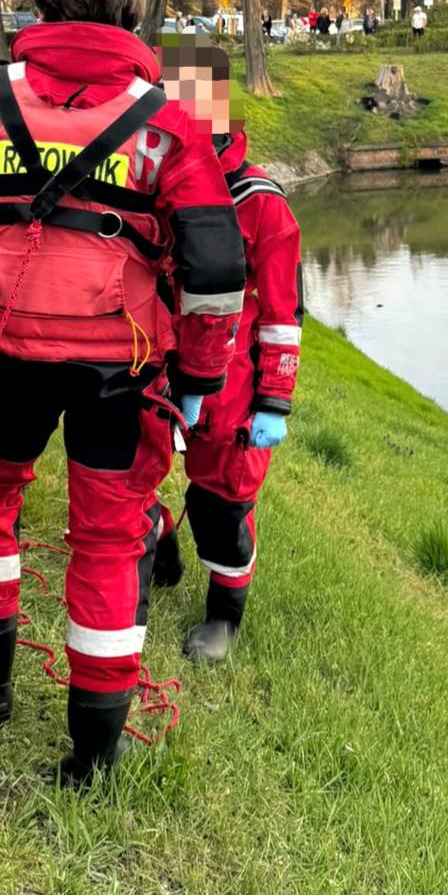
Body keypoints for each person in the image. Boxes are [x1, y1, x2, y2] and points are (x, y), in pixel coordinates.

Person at [0, 0, 246, 783]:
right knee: (110, 539)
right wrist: (199, 374)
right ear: (130, 4)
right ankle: (94, 750)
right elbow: (214, 268)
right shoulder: (169, 123)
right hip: (122, 364)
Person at [153, 40, 300, 663]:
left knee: (220, 504)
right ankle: (156, 537)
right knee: (123, 470)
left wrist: (274, 400)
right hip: (152, 362)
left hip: (230, 388)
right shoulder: (148, 176)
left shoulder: (260, 202)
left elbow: (283, 314)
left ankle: (223, 618)